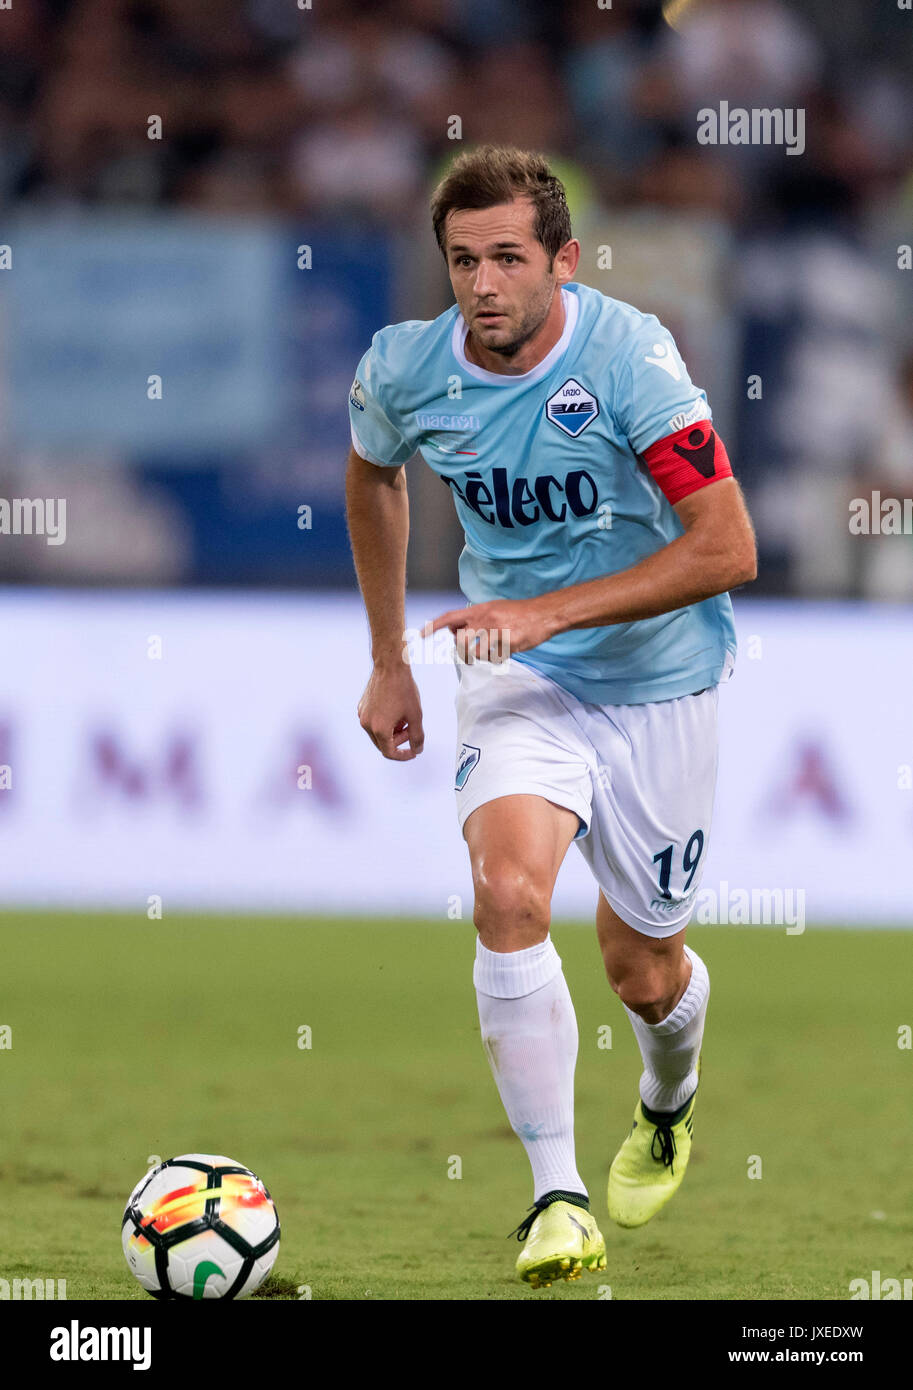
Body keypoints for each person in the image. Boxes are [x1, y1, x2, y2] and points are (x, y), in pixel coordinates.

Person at [345, 145, 756, 1288]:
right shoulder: (404, 368)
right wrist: (388, 658)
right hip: (517, 680)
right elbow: (372, 471)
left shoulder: (631, 359)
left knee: (644, 970)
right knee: (509, 892)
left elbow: (728, 547)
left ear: (563, 262)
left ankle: (665, 1103)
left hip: (660, 682)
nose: (482, 285)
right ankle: (554, 1196)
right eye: (463, 260)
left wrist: (548, 609)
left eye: (509, 259)